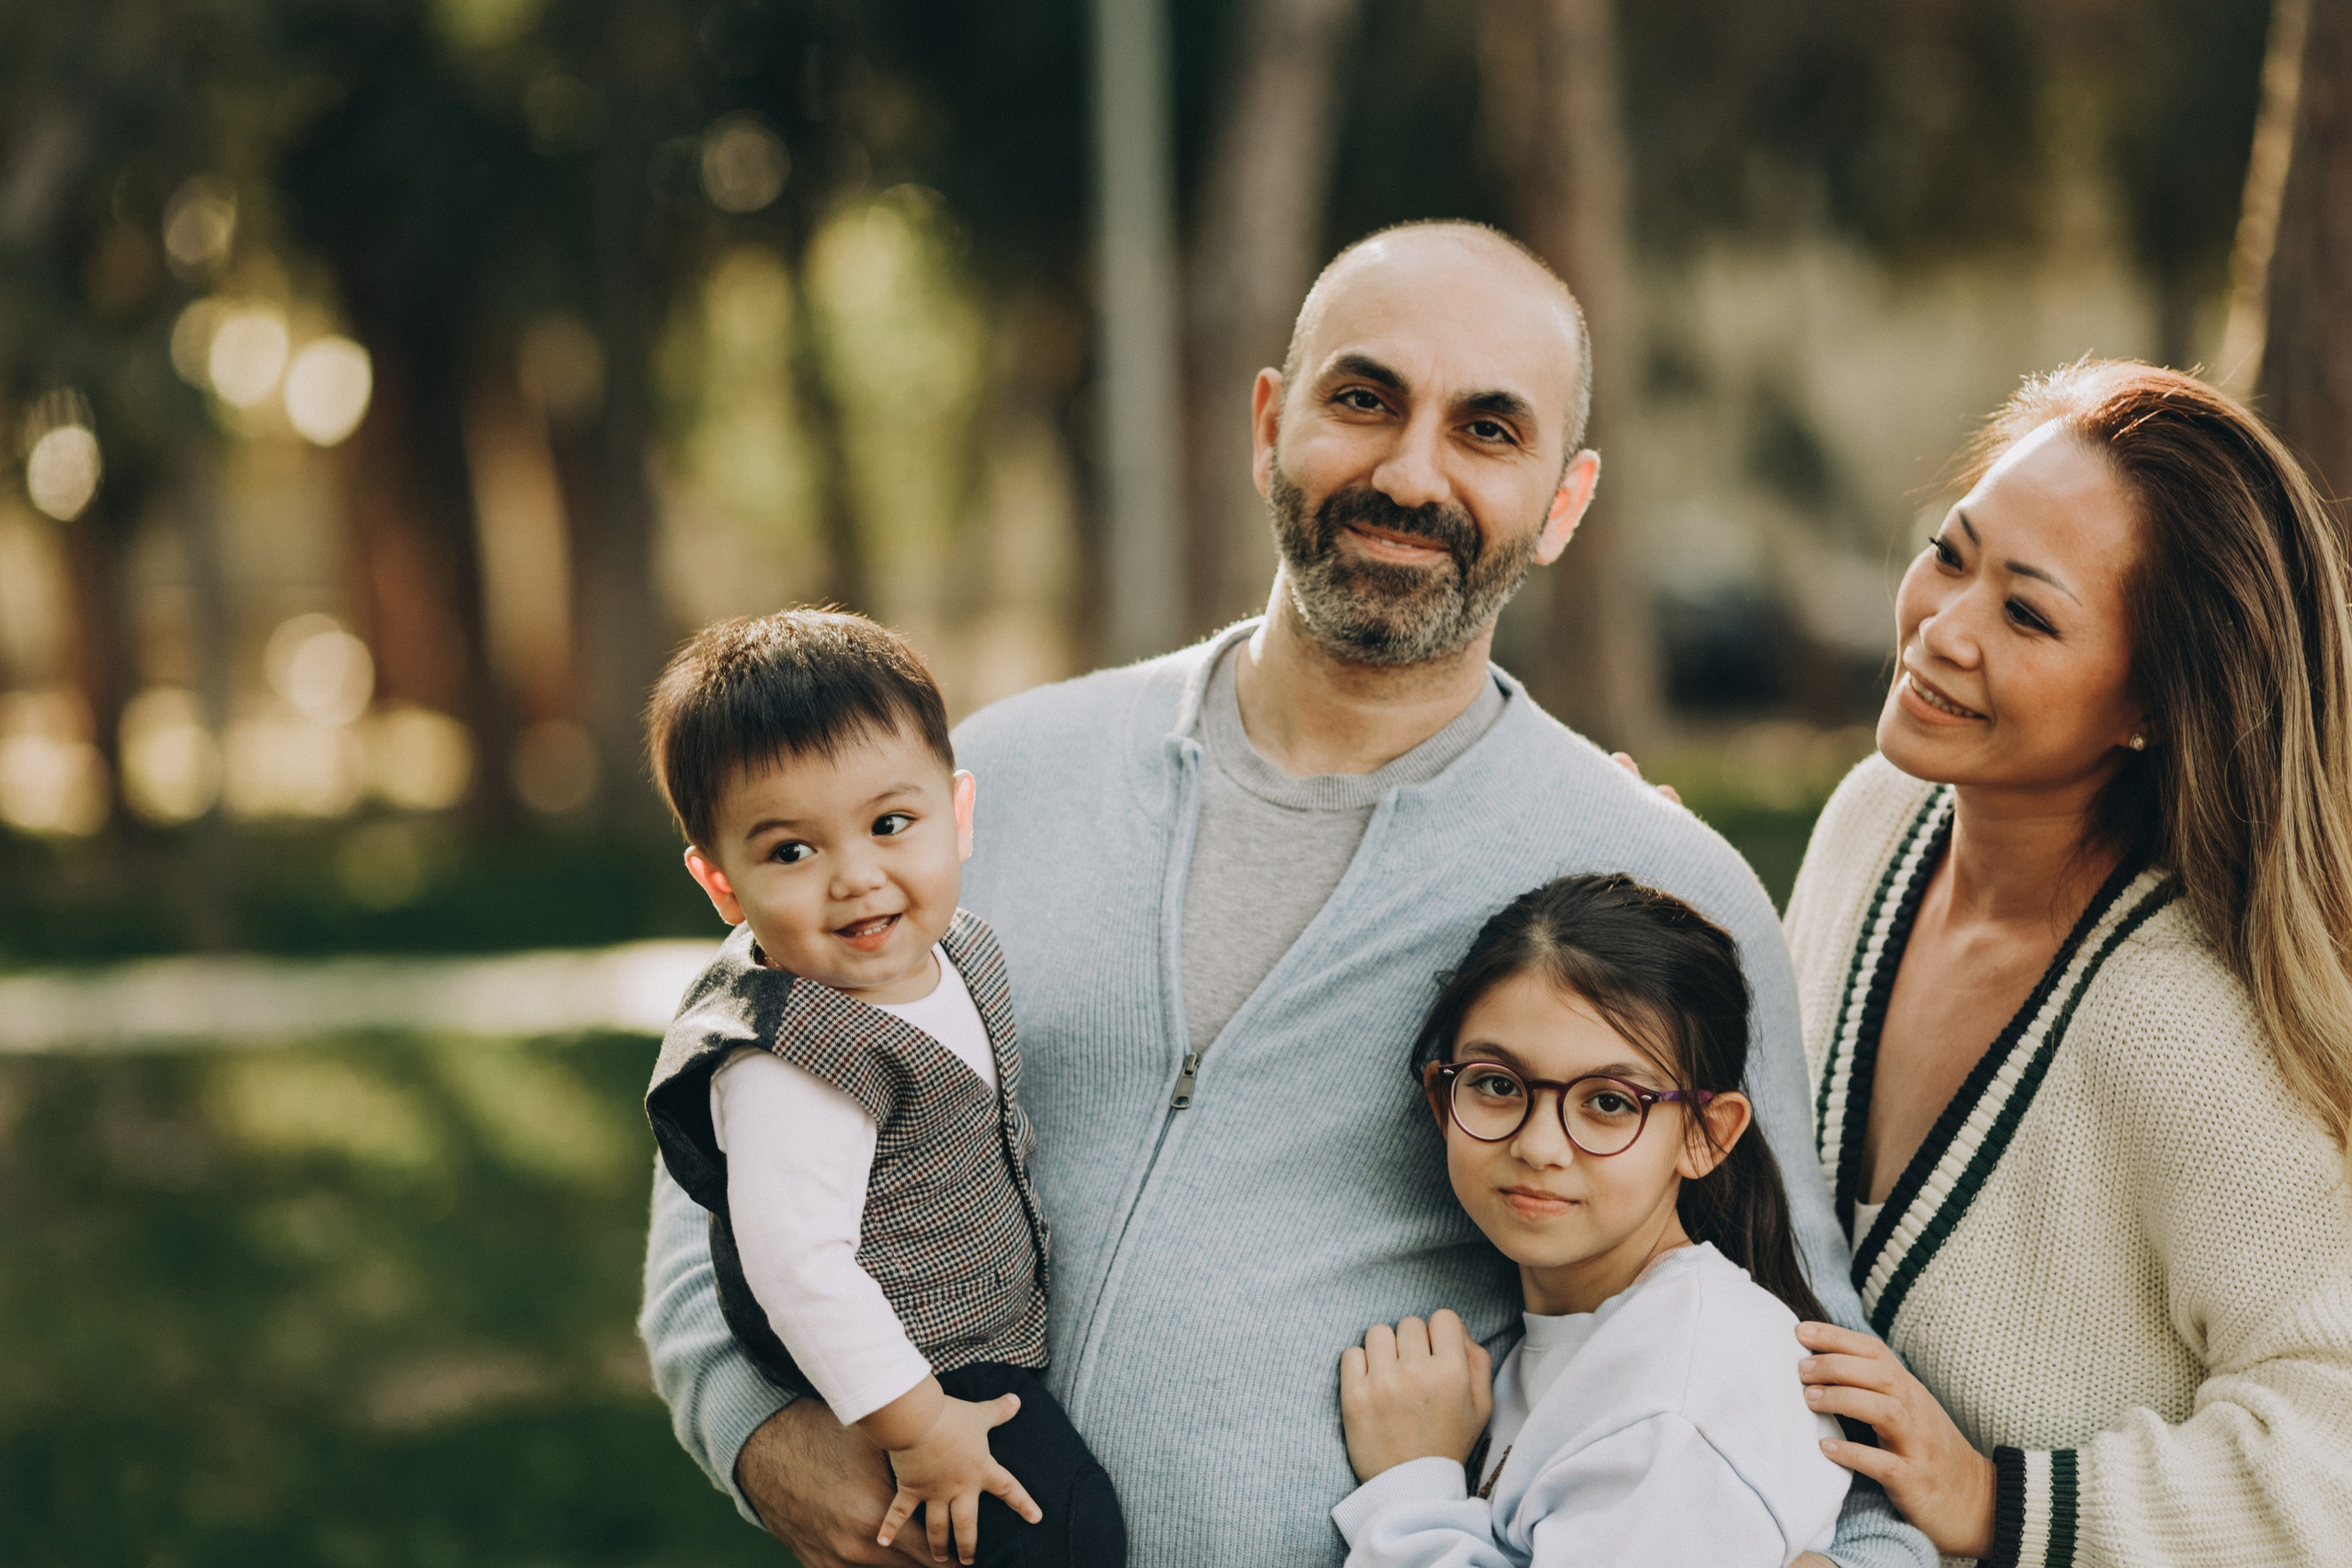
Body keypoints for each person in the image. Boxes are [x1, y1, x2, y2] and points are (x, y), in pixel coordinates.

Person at [640, 220, 1934, 1567]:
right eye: (1363, 399)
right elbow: (722, 1161)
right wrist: (760, 1437)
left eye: (1488, 430)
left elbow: (1810, 1396)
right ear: (1270, 423)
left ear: (1564, 501)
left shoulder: (1659, 885)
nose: (1410, 472)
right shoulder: (976, 788)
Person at [1782, 361, 2352, 1565]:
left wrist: (2000, 1501)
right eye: (1949, 554)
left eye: (2027, 615)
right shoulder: (1870, 823)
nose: (1943, 627)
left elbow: (2333, 1457)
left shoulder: (2182, 1021)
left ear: (2153, 701)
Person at [639, 610, 1125, 1567]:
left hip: (978, 1330)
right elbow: (798, 1267)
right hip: (920, 1372)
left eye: (890, 825)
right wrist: (918, 1425)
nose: (857, 877)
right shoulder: (789, 1063)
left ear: (958, 813)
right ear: (721, 885)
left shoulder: (956, 952)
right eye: (792, 851)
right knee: (1063, 1533)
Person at [1336, 874, 1851, 1565]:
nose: (1540, 1146)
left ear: (1707, 1134)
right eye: (1497, 1084)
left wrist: (1411, 1487)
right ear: (1442, 1099)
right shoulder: (1598, 1335)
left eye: (1609, 1101)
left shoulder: (1682, 1399)